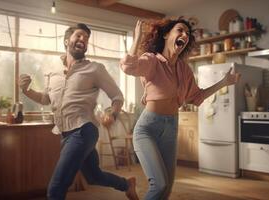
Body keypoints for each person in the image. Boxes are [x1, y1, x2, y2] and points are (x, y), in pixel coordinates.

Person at [120, 18, 240, 200]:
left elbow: (197, 97)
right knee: (159, 184)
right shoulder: (152, 60)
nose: (185, 35)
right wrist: (136, 39)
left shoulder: (184, 69)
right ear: (167, 34)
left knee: (166, 189)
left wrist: (224, 82)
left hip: (171, 127)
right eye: (180, 30)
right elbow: (128, 67)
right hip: (148, 128)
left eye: (188, 34)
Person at [19, 23, 139, 200]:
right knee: (94, 176)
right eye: (79, 35)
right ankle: (126, 184)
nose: (83, 39)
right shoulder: (54, 73)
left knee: (55, 189)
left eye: (86, 38)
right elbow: (46, 99)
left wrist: (112, 114)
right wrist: (26, 90)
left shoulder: (95, 69)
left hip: (84, 130)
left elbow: (117, 96)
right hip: (65, 134)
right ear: (67, 41)